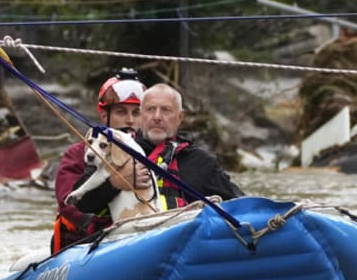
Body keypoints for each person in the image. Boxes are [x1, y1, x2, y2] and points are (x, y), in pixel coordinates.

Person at [71, 82, 242, 219]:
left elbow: (240, 204)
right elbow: (82, 204)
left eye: (165, 110)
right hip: (125, 242)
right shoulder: (116, 150)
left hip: (182, 244)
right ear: (141, 114)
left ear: (180, 117)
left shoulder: (202, 162)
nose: (157, 117)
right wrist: (115, 182)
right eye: (150, 109)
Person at [52, 70, 150, 253]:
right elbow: (68, 201)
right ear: (104, 115)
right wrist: (114, 184)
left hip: (140, 235)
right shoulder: (78, 154)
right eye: (121, 112)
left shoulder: (149, 152)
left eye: (136, 113)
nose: (130, 120)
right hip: (88, 243)